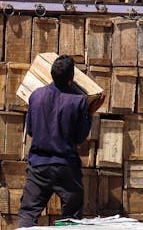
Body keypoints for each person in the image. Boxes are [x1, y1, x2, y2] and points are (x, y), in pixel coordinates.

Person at [17, 55, 97, 228]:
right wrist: (89, 114)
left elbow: (30, 130)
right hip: (65, 167)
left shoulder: (36, 96)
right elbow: (80, 138)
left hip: (38, 166)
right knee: (71, 218)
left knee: (28, 213)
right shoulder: (79, 102)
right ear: (71, 79)